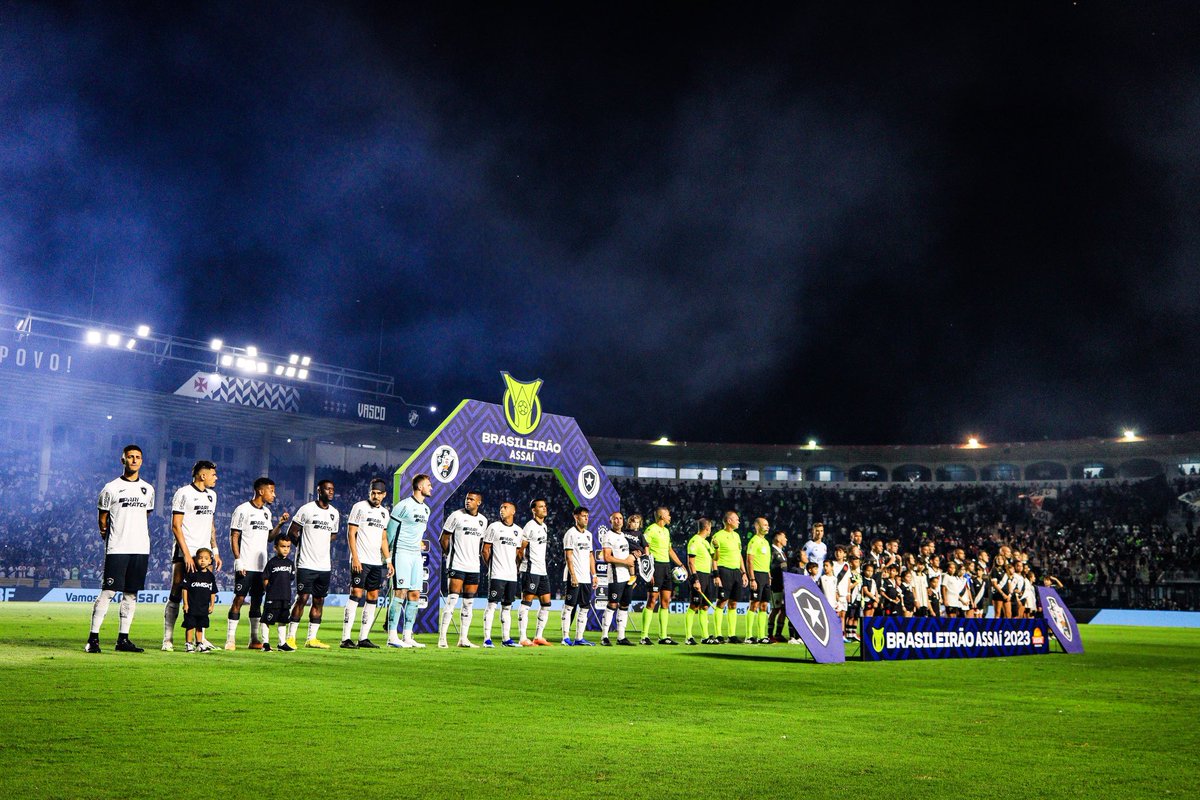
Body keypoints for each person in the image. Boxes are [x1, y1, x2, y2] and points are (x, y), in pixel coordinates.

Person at [87, 444, 155, 654]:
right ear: (123, 460)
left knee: (131, 594)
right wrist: (110, 538)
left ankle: (123, 639)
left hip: (140, 547)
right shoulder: (111, 488)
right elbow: (102, 520)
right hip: (118, 547)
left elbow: (145, 515)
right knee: (108, 591)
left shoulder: (148, 489)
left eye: (138, 457)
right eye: (130, 457)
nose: (134, 460)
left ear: (141, 461)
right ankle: (93, 639)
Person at [225, 477, 289, 650]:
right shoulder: (242, 510)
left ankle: (254, 639)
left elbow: (269, 537)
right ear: (261, 491)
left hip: (261, 568)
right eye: (271, 491)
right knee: (238, 599)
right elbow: (234, 536)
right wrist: (238, 560)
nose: (274, 495)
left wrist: (280, 525)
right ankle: (230, 639)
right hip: (245, 565)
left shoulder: (267, 513)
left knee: (256, 602)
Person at [163, 460, 220, 652]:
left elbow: (211, 525)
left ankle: (201, 640)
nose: (216, 478)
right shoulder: (183, 493)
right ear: (202, 475)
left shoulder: (212, 496)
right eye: (213, 474)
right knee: (177, 590)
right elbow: (176, 525)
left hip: (205, 552)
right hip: (185, 550)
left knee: (203, 594)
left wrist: (215, 551)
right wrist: (186, 554)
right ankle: (168, 639)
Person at [281, 479, 339, 649]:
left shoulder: (334, 513)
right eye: (327, 489)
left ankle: (311, 639)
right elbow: (292, 531)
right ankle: (291, 637)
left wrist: (320, 541)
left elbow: (333, 535)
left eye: (332, 489)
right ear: (319, 491)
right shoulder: (307, 509)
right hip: (306, 563)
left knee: (319, 600)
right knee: (302, 598)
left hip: (324, 565)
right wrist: (303, 543)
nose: (331, 492)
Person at [341, 478, 393, 649]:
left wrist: (388, 560)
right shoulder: (359, 507)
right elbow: (351, 533)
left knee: (373, 597)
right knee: (356, 593)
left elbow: (383, 538)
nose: (375, 496)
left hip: (376, 562)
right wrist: (355, 557)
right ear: (369, 492)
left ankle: (363, 638)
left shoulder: (385, 513)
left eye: (379, 493)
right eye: (373, 493)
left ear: (384, 495)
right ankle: (346, 638)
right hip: (361, 560)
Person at [386, 473, 433, 648]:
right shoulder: (403, 506)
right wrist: (387, 559)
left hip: (415, 555)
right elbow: (390, 533)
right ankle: (392, 636)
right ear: (420, 487)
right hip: (401, 553)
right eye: (428, 485)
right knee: (400, 593)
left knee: (414, 594)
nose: (431, 488)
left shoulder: (426, 510)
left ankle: (407, 635)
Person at [438, 491, 488, 648]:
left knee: (468, 603)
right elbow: (443, 539)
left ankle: (463, 639)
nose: (468, 501)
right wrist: (450, 556)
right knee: (452, 600)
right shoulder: (456, 516)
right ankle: (442, 639)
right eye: (467, 499)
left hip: (473, 566)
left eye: (472, 499)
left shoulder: (483, 521)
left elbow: (480, 544)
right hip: (457, 565)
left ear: (478, 502)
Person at [639, 506, 685, 645]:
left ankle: (663, 636)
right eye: (668, 515)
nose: (670, 517)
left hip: (666, 567)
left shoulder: (666, 531)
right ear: (661, 516)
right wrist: (648, 570)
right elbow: (644, 549)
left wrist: (681, 565)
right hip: (656, 566)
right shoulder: (651, 530)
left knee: (665, 601)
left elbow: (669, 550)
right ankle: (644, 636)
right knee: (652, 599)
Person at [481, 501, 523, 647]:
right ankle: (487, 639)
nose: (502, 510)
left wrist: (515, 568)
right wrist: (491, 567)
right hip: (497, 574)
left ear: (513, 511)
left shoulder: (518, 530)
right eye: (500, 508)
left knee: (507, 606)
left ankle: (506, 639)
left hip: (511, 575)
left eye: (505, 508)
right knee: (492, 605)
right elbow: (485, 550)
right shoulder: (494, 527)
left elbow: (518, 553)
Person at [517, 498, 554, 646]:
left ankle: (538, 636)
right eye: (540, 506)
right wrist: (521, 566)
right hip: (530, 570)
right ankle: (523, 637)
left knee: (546, 603)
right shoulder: (529, 526)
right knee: (526, 603)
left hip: (542, 570)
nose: (544, 509)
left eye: (545, 506)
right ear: (534, 510)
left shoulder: (544, 526)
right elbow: (521, 550)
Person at [560, 506, 597, 646]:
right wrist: (573, 575)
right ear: (576, 517)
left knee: (584, 607)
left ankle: (579, 638)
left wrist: (594, 575)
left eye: (587, 515)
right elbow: (568, 556)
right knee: (569, 607)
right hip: (574, 576)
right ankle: (565, 637)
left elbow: (590, 556)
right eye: (583, 516)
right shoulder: (570, 534)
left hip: (586, 578)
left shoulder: (588, 534)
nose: (586, 518)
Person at [599, 511, 637, 646]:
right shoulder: (608, 536)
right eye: (615, 519)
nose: (618, 521)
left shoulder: (624, 536)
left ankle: (621, 637)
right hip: (615, 576)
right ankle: (604, 636)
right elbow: (607, 557)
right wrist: (625, 562)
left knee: (625, 605)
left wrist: (633, 574)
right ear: (611, 521)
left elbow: (629, 556)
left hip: (627, 576)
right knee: (612, 604)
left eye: (620, 518)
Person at [711, 511, 746, 643]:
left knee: (734, 603)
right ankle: (718, 634)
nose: (739, 521)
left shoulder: (736, 536)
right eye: (736, 519)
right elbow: (713, 558)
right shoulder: (717, 536)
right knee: (722, 602)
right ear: (729, 521)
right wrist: (716, 576)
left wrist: (743, 573)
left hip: (736, 571)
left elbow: (739, 555)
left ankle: (731, 635)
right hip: (723, 570)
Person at [261, 536, 296, 651]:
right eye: (282, 546)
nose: (285, 549)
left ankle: (282, 643)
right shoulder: (271, 563)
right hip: (273, 597)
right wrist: (269, 591)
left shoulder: (291, 564)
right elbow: (265, 578)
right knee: (267, 619)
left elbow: (290, 578)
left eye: (288, 547)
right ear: (276, 548)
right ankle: (265, 643)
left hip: (285, 597)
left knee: (283, 620)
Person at [685, 518, 717, 645]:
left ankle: (705, 637)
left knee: (704, 606)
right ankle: (688, 637)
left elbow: (715, 558)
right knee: (694, 605)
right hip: (699, 575)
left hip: (707, 576)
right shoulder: (694, 541)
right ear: (707, 528)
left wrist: (717, 547)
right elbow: (691, 562)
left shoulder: (706, 542)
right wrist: (695, 579)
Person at [182, 548, 217, 653]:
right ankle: (188, 644)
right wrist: (185, 604)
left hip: (203, 607)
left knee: (200, 626)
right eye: (200, 558)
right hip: (192, 606)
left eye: (206, 558)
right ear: (196, 559)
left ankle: (199, 644)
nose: (203, 561)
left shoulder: (210, 576)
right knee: (190, 625)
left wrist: (212, 605)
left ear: (210, 561)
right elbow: (185, 589)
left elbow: (213, 592)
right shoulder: (191, 573)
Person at [743, 517, 772, 644]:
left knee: (764, 605)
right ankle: (748, 636)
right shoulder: (753, 542)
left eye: (768, 525)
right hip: (757, 576)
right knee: (754, 604)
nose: (767, 527)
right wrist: (752, 578)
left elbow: (766, 561)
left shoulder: (766, 542)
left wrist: (769, 575)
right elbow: (749, 560)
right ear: (757, 526)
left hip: (765, 576)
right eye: (765, 525)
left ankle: (762, 636)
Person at [767, 530, 791, 643]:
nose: (786, 539)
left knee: (784, 610)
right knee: (775, 609)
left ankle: (778, 634)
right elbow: (769, 568)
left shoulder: (782, 552)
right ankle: (769, 635)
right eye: (784, 537)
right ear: (778, 539)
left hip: (783, 585)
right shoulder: (771, 552)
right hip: (776, 586)